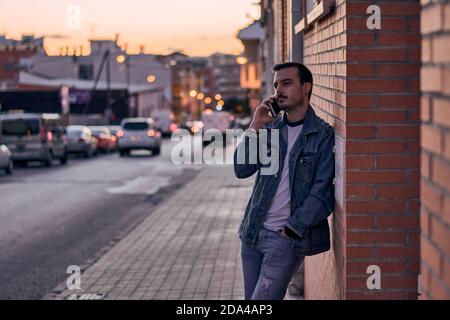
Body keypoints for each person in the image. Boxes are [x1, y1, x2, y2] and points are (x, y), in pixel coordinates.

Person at [233, 62, 335, 300]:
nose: (279, 90)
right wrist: (256, 125)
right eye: (277, 85)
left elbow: (322, 193)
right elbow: (241, 168)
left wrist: (291, 229)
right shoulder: (270, 129)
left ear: (306, 87)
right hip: (252, 233)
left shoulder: (321, 134)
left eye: (287, 83)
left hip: (285, 238)